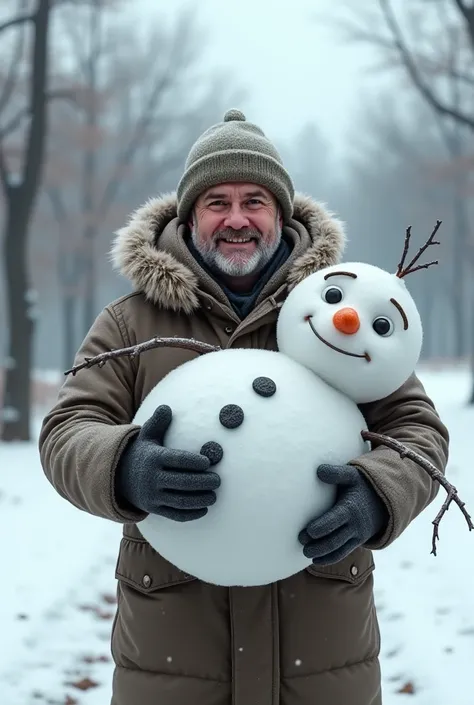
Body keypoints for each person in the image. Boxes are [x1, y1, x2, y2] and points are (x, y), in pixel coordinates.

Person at [39, 109, 449, 705]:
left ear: (280, 215)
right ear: (189, 216)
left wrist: (379, 493)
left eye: (255, 200)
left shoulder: (341, 317)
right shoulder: (131, 322)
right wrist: (125, 466)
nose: (237, 219)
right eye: (217, 201)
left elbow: (417, 428)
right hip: (173, 652)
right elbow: (66, 431)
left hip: (321, 652)